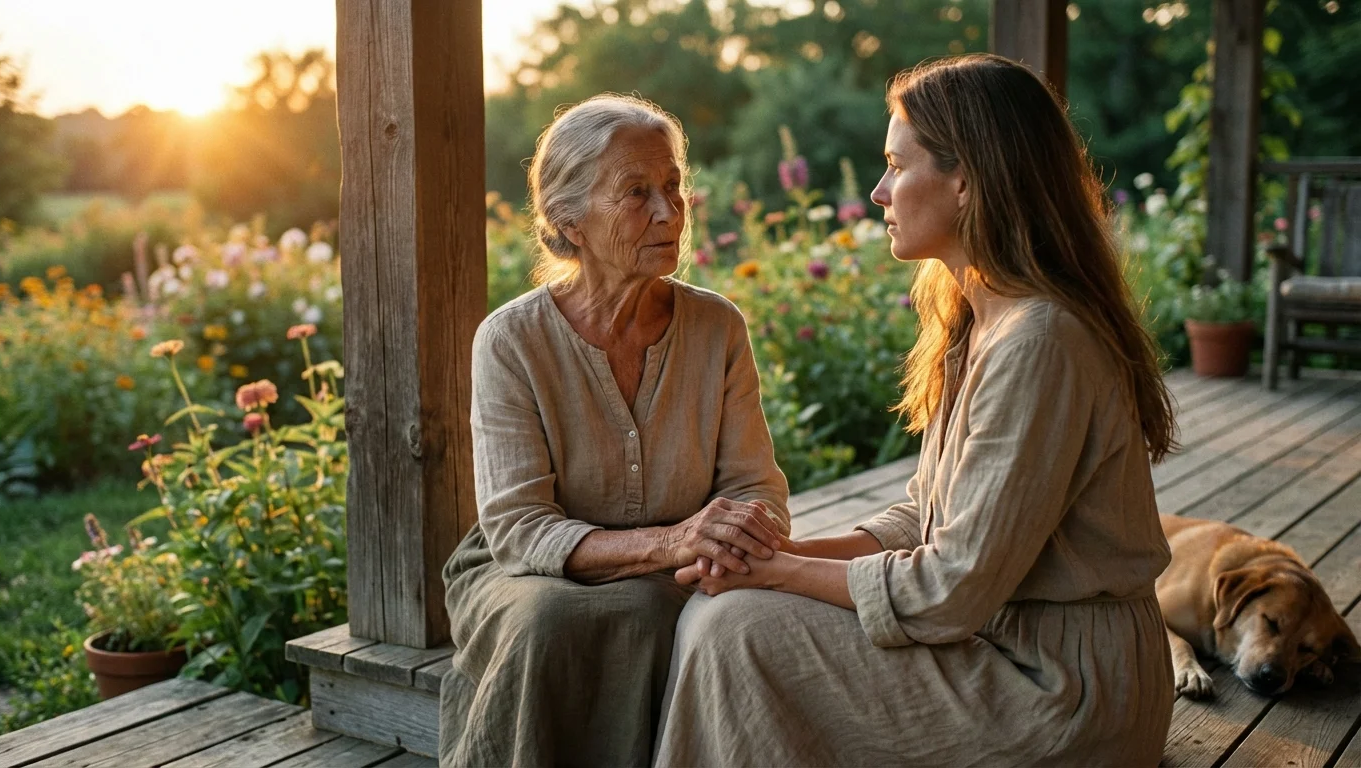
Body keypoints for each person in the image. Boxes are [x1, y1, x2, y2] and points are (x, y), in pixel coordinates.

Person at [655, 54, 1179, 767]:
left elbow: (948, 590)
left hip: (1063, 692)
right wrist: (774, 553)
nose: (878, 192)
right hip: (1003, 649)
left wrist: (771, 575)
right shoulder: (980, 322)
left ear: (965, 179)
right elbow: (922, 520)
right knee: (722, 610)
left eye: (897, 167)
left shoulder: (1041, 342)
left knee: (738, 626)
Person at [438, 93, 791, 767]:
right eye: (636, 192)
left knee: (707, 617)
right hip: (533, 572)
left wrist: (731, 536)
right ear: (568, 220)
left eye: (673, 187)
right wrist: (673, 539)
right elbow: (519, 529)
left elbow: (756, 490)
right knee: (550, 622)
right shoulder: (511, 341)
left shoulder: (718, 328)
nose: (669, 212)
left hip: (679, 567)